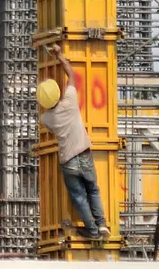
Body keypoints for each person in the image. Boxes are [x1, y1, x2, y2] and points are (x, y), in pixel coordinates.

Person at [37, 46, 110, 240]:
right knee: (93, 189)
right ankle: (102, 225)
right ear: (58, 92)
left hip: (68, 160)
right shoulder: (69, 100)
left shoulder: (46, 119)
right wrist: (60, 56)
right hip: (84, 153)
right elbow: (72, 75)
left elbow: (53, 129)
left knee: (79, 197)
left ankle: (92, 231)